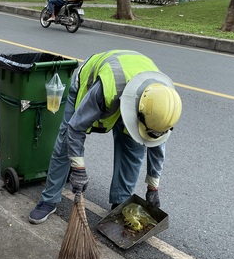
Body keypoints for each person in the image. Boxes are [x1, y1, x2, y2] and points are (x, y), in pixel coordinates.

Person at [28, 50, 182, 225]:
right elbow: (75, 128)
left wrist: (153, 187)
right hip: (92, 84)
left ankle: (120, 202)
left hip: (136, 93)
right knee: (65, 143)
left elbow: (156, 144)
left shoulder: (164, 104)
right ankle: (49, 199)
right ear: (138, 113)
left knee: (133, 150)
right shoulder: (107, 89)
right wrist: (79, 169)